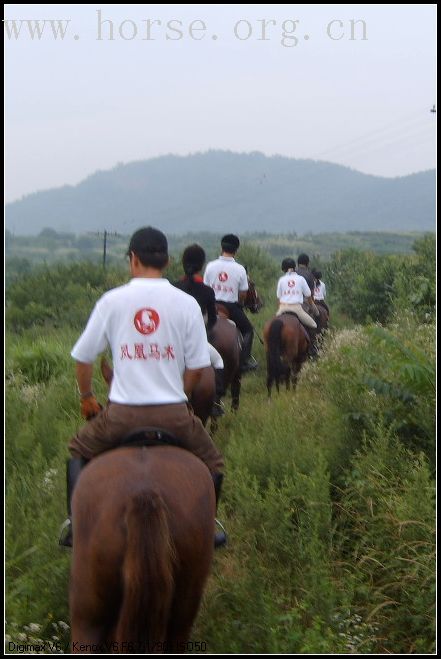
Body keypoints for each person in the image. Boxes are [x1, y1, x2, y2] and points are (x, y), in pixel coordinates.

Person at [59, 227, 226, 549]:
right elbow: (197, 367)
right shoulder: (186, 303)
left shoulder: (112, 301)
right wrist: (182, 396)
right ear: (166, 260)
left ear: (133, 259)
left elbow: (83, 358)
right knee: (214, 462)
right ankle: (210, 528)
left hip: (121, 414)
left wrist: (87, 397)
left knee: (79, 449)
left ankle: (75, 526)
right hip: (174, 415)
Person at [174, 244, 225, 417]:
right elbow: (212, 320)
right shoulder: (207, 291)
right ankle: (216, 403)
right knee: (218, 361)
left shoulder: (174, 286)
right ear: (201, 265)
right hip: (196, 342)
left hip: (172, 341)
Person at [203, 234, 257, 372]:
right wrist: (240, 302)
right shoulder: (240, 269)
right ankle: (244, 361)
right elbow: (244, 293)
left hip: (211, 306)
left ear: (221, 248)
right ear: (236, 250)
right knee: (248, 330)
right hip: (230, 307)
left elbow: (205, 287)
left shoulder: (210, 266)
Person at [276, 258, 319, 356]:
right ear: (294, 267)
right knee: (313, 325)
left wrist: (280, 310)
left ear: (283, 269)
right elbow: (309, 297)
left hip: (282, 308)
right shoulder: (301, 279)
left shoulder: (281, 280)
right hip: (297, 309)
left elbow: (278, 299)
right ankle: (312, 348)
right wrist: (314, 309)